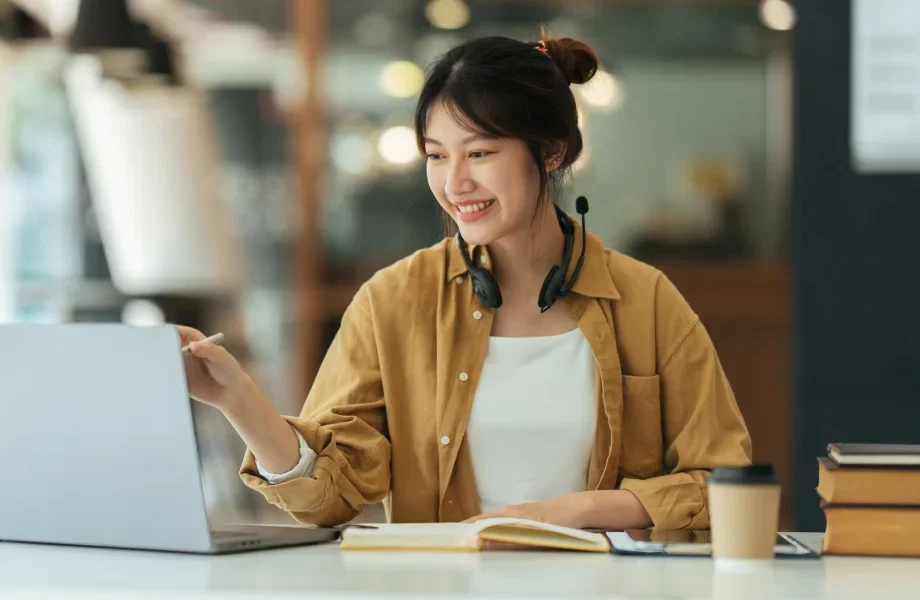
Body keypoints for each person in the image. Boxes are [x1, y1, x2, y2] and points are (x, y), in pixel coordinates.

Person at [177, 33, 752, 531]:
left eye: (480, 152)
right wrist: (236, 398)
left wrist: (579, 510)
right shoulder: (393, 301)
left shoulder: (646, 301)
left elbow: (727, 483)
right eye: (435, 155)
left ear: (550, 152)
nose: (455, 184)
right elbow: (331, 495)